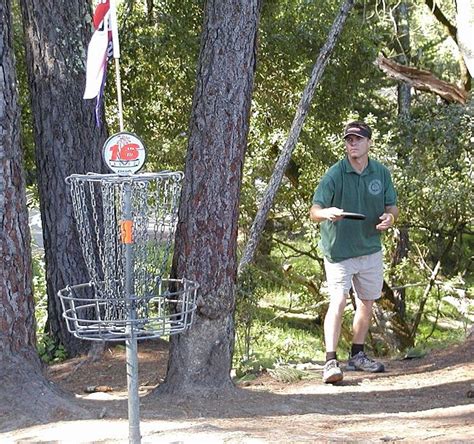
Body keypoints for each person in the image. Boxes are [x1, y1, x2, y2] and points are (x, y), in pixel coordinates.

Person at [309, 121, 399, 384]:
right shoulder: (335, 174)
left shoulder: (380, 173)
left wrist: (389, 219)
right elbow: (314, 211)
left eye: (358, 139)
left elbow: (392, 207)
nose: (353, 144)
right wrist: (328, 213)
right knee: (337, 301)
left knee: (367, 302)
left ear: (369, 142)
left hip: (370, 247)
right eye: (349, 140)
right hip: (339, 251)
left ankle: (357, 355)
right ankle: (330, 362)